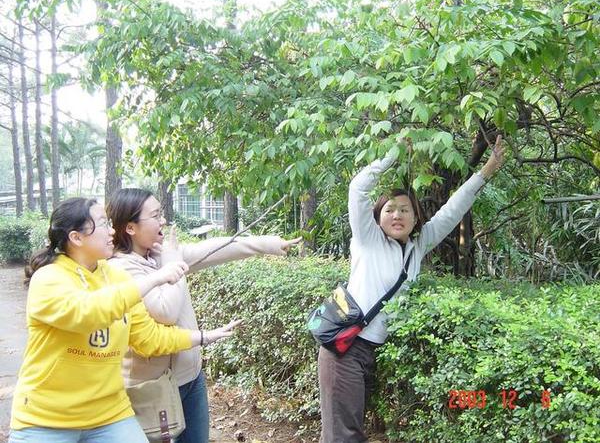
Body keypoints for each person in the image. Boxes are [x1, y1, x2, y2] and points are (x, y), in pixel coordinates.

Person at [318, 136, 506, 442]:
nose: (397, 215)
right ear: (377, 217)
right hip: (345, 349)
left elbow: (452, 211)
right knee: (345, 435)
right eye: (390, 210)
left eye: (405, 210)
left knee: (351, 429)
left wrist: (485, 172)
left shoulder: (416, 247)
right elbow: (357, 188)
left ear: (416, 217)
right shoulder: (368, 240)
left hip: (374, 349)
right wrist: (393, 154)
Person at [8, 197, 240, 443]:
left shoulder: (116, 277)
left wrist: (205, 336)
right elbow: (87, 313)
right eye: (102, 224)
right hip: (46, 419)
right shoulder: (48, 278)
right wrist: (154, 279)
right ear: (76, 238)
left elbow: (148, 338)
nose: (111, 231)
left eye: (109, 223)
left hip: (109, 414)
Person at [106, 188, 302, 443]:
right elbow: (165, 312)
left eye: (161, 213)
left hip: (191, 376)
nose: (162, 220)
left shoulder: (159, 253)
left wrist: (268, 244)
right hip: (154, 386)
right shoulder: (122, 268)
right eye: (155, 215)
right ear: (130, 227)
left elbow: (216, 249)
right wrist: (172, 264)